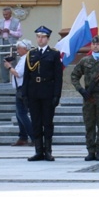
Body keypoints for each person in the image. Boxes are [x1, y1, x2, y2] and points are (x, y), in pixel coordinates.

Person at [22, 26, 63, 162]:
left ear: (48, 38)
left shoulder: (54, 54)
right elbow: (27, 76)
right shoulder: (31, 54)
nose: (40, 39)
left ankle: (48, 151)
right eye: (38, 37)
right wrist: (25, 95)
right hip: (34, 92)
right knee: (36, 123)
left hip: (48, 92)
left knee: (47, 122)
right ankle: (38, 151)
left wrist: (57, 95)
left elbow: (58, 76)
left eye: (43, 37)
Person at [3, 39, 34, 147]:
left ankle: (33, 137)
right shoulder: (23, 58)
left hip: (23, 89)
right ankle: (23, 137)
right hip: (21, 89)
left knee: (21, 113)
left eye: (19, 48)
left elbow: (18, 74)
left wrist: (9, 67)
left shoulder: (26, 59)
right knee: (19, 113)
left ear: (25, 49)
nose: (17, 50)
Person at [0, 7, 23, 83]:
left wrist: (9, 31)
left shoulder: (16, 21)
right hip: (2, 43)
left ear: (10, 14)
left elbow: (20, 34)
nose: (5, 16)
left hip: (11, 44)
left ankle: (14, 79)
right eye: (4, 14)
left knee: (12, 61)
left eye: (6, 14)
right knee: (2, 62)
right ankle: (5, 80)